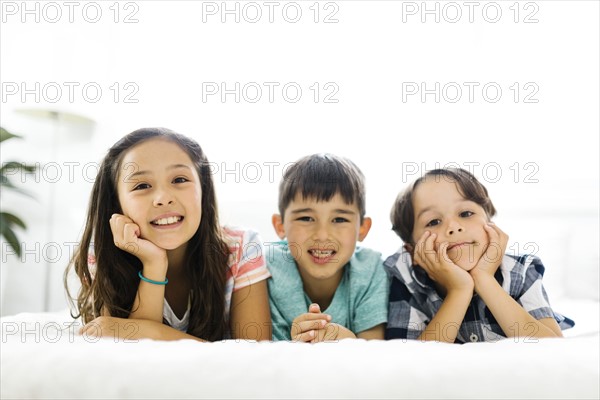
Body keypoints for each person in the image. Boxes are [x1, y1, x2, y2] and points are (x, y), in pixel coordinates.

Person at [65, 127, 272, 342]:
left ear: (203, 189)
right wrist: (154, 264)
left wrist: (152, 332)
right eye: (142, 185)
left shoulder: (242, 247)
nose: (163, 198)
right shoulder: (102, 254)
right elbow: (129, 353)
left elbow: (254, 355)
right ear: (117, 203)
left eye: (180, 180)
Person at [385, 167, 574, 343]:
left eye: (466, 213)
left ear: (490, 223)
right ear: (412, 251)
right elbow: (411, 361)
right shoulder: (406, 282)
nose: (453, 227)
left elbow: (552, 348)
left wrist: (484, 279)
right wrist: (459, 290)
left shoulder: (520, 270)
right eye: (433, 221)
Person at [267, 153, 388, 342]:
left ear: (363, 228)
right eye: (306, 218)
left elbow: (372, 354)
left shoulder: (371, 270)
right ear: (280, 225)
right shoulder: (268, 271)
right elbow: (266, 359)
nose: (322, 235)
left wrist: (347, 342)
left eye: (339, 219)